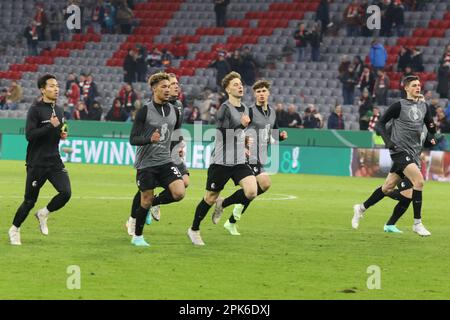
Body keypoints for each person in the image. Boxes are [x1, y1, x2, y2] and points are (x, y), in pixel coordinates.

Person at [352, 75, 437, 236]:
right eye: (413, 85)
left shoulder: (424, 106)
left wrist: (431, 137)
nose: (417, 87)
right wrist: (388, 142)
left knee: (387, 187)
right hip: (399, 151)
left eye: (419, 85)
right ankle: (417, 223)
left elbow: (430, 128)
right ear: (406, 88)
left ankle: (361, 208)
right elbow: (380, 124)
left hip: (413, 154)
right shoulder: (399, 105)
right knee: (419, 181)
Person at [187, 72, 257, 245]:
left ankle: (223, 203)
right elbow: (222, 134)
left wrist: (246, 142)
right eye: (235, 84)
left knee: (251, 191)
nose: (240, 86)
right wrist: (242, 125)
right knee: (209, 197)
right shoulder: (224, 109)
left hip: (239, 160)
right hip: (221, 161)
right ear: (227, 89)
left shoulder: (246, 109)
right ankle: (194, 229)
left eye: (240, 83)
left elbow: (240, 134)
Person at [8, 74, 72, 245]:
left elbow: (58, 128)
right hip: (37, 162)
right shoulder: (35, 109)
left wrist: (61, 133)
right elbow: (29, 135)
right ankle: (14, 229)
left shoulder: (59, 110)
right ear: (43, 89)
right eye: (51, 86)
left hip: (54, 160)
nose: (56, 89)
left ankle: (43, 213)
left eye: (57, 86)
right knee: (29, 201)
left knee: (66, 193)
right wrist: (49, 126)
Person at [126, 72, 185, 246]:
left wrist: (178, 148)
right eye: (163, 87)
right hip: (146, 164)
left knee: (179, 192)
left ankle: (155, 203)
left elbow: (176, 134)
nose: (168, 90)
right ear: (154, 89)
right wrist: (149, 139)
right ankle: (137, 236)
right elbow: (133, 139)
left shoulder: (175, 110)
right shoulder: (144, 111)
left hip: (166, 161)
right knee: (145, 199)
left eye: (169, 86)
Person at [224, 80, 288, 235]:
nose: (261, 94)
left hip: (261, 155)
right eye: (258, 92)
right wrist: (243, 145)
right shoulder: (250, 111)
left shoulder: (272, 112)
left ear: (268, 93)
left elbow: (274, 133)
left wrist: (281, 136)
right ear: (254, 94)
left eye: (264, 91)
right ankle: (226, 205)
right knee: (265, 183)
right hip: (248, 155)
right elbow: (238, 130)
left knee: (259, 188)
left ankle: (232, 218)